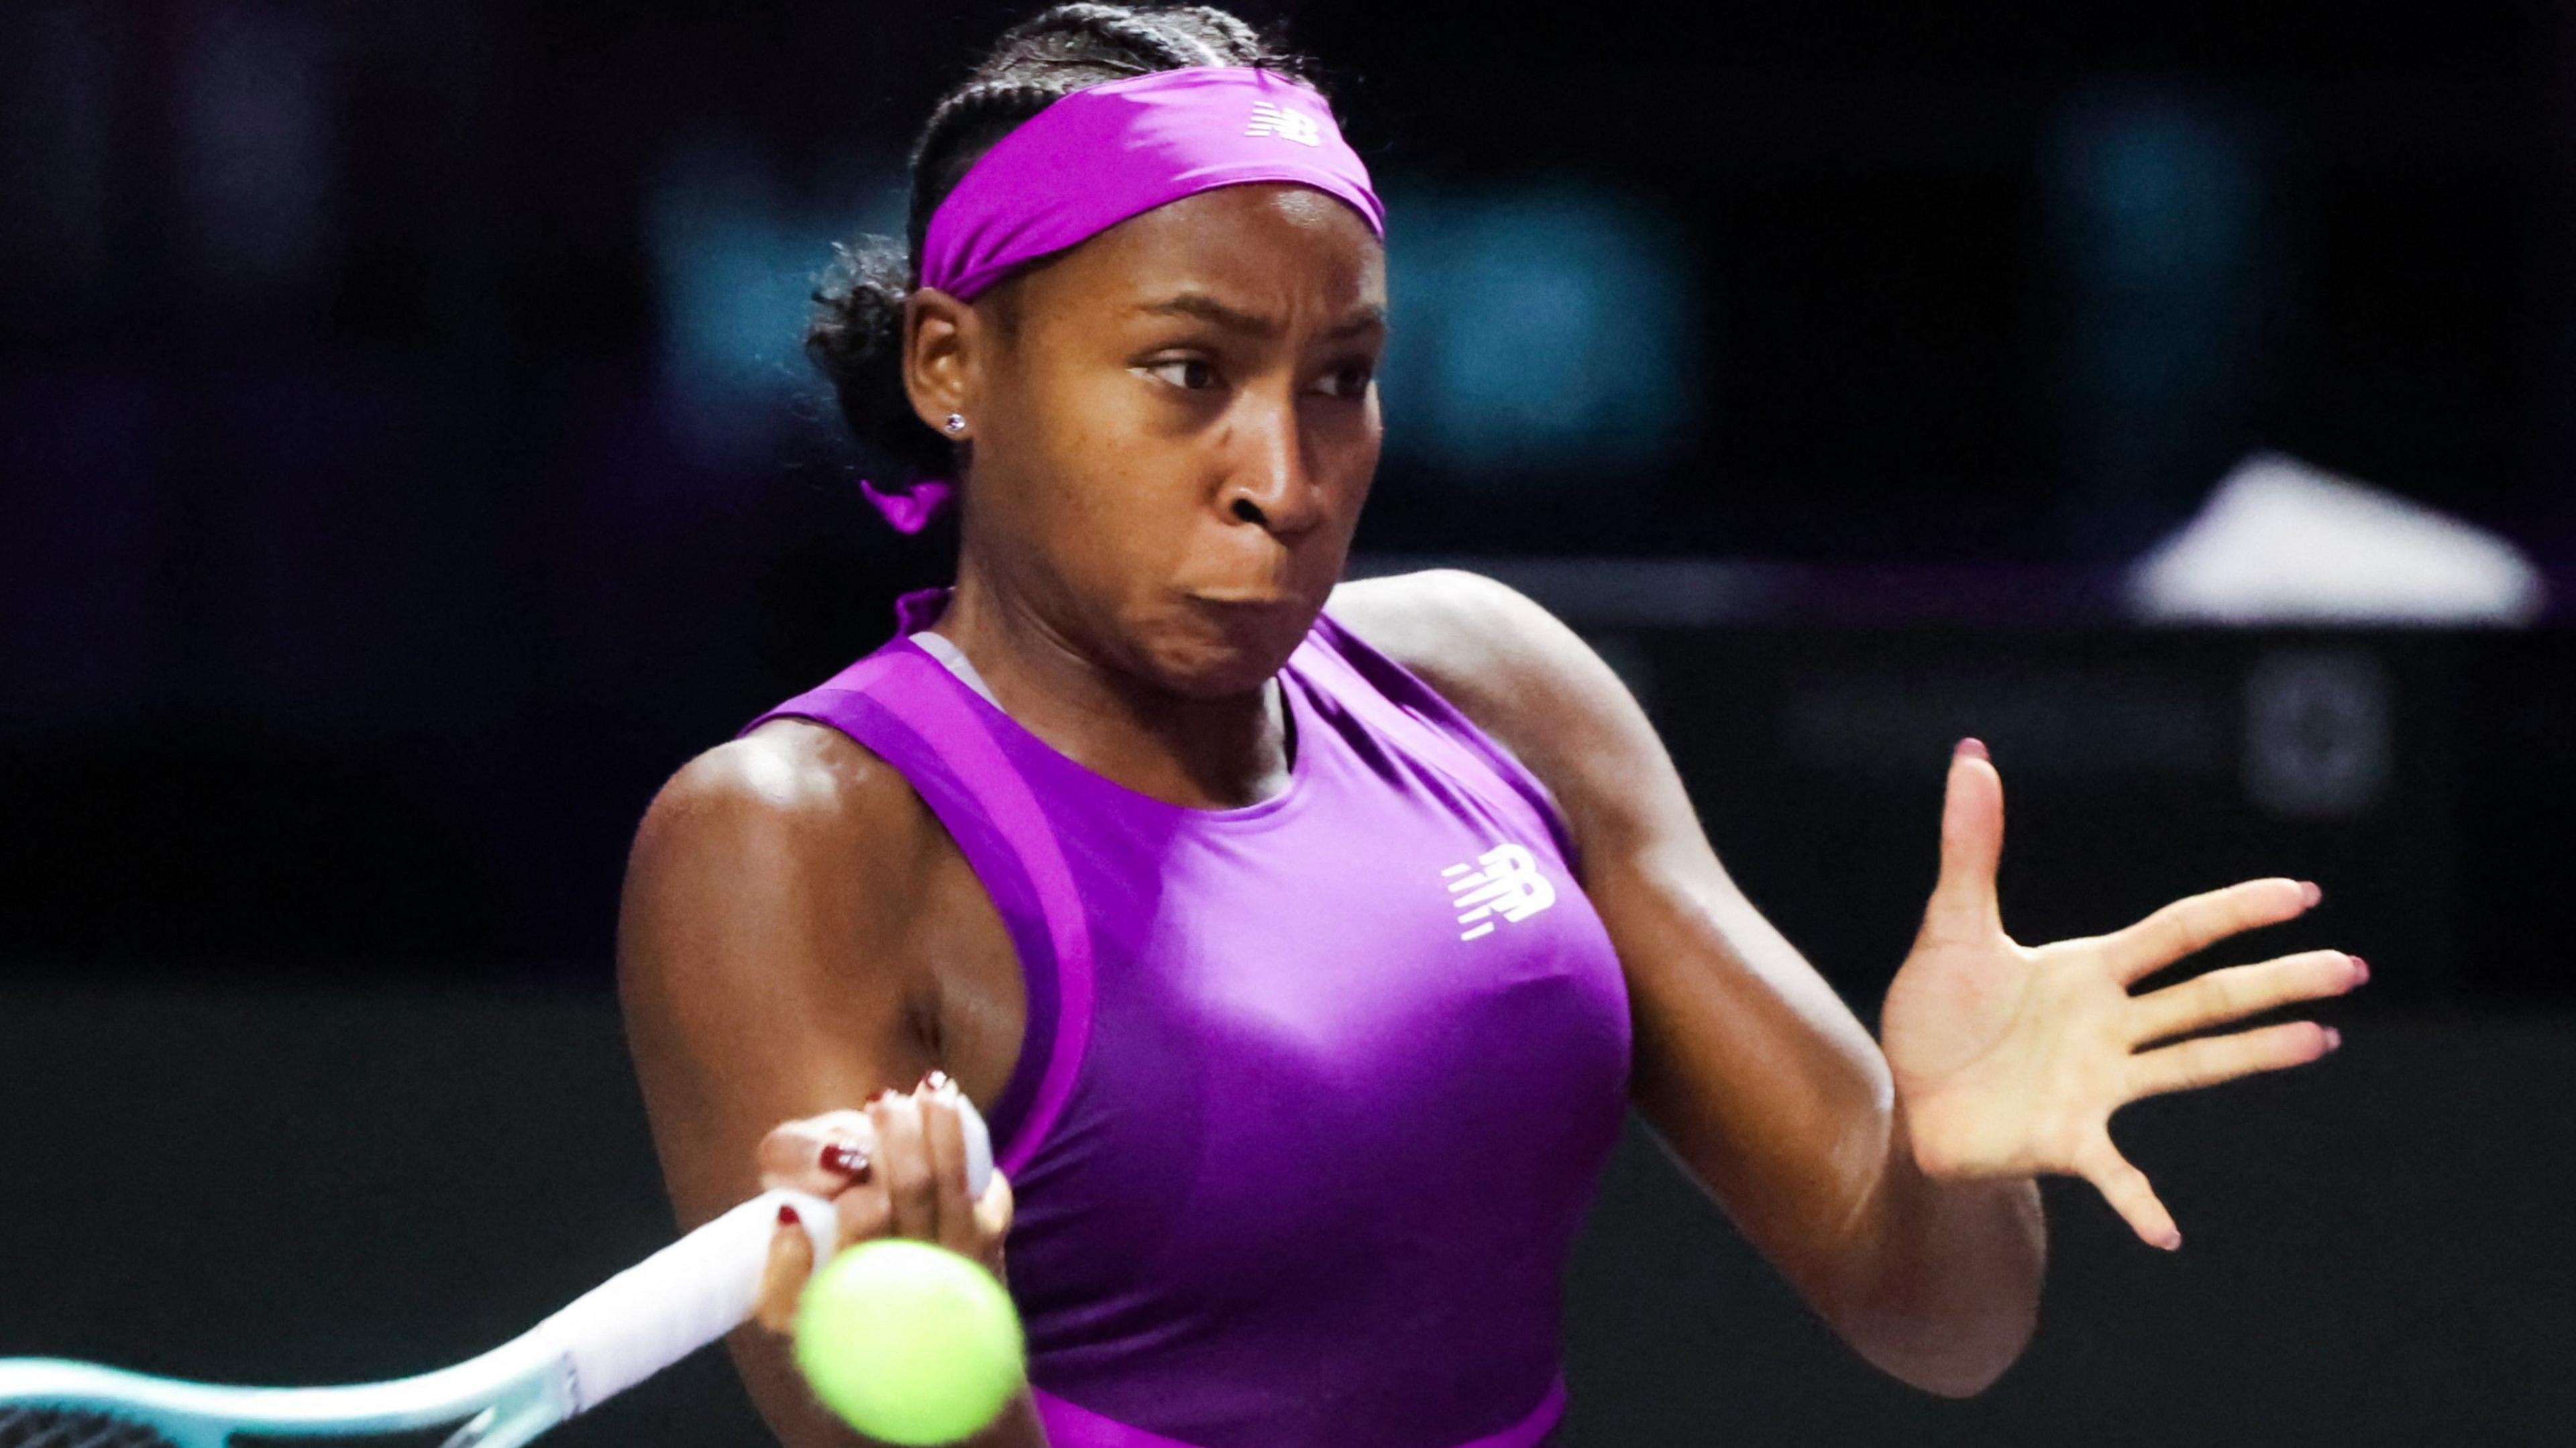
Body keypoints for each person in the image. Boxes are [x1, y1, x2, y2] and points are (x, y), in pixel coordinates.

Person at [614, 6, 2367, 1445]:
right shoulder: (790, 838)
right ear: (953, 368)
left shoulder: (1496, 689)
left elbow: (1945, 1323)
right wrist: (939, 1366)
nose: (1284, 482)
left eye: (1342, 381)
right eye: (1185, 374)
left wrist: (1960, 1162)